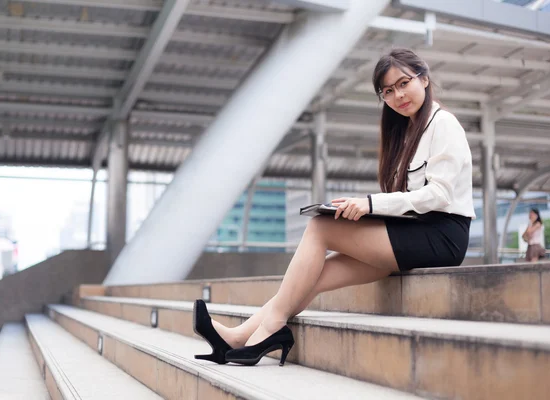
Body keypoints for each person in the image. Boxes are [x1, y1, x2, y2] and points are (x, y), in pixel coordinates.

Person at [192, 48, 476, 367]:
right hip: (413, 234)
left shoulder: (443, 124)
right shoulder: (407, 132)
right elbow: (407, 199)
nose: (398, 95)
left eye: (403, 83)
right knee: (313, 275)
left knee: (321, 227)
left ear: (423, 79)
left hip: (442, 236)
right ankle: (238, 337)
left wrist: (369, 205)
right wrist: (371, 208)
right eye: (388, 91)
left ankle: (271, 330)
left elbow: (438, 195)